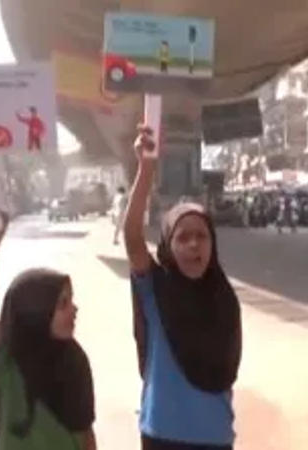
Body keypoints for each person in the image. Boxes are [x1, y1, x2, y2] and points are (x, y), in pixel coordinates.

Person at [123, 127, 242, 450]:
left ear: (212, 244)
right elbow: (132, 237)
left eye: (201, 236)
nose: (193, 245)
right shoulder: (155, 288)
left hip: (214, 436)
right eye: (183, 237)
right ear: (168, 245)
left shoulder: (224, 298)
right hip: (160, 433)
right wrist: (146, 169)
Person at [0, 196, 96, 450]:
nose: (74, 309)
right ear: (36, 314)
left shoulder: (74, 360)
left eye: (71, 300)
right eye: (62, 303)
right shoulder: (8, 365)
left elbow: (85, 432)